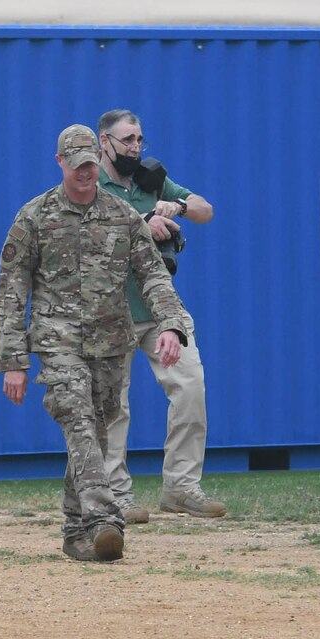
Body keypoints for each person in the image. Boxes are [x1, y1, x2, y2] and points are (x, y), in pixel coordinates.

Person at [0, 124, 193, 563]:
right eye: (77, 165)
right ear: (60, 163)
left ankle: (75, 531)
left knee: (97, 431)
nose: (85, 173)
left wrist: (171, 326)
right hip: (57, 340)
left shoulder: (122, 216)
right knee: (78, 418)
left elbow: (153, 274)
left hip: (110, 342)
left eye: (90, 164)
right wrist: (13, 359)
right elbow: (12, 289)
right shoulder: (34, 217)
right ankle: (105, 519)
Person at [96, 109, 224, 522]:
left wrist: (179, 206)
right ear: (104, 142)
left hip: (159, 308)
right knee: (113, 405)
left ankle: (181, 488)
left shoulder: (151, 179)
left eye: (139, 140)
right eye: (127, 140)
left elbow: (207, 209)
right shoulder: (88, 182)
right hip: (110, 310)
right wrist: (143, 222)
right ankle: (116, 494)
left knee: (190, 385)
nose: (135, 147)